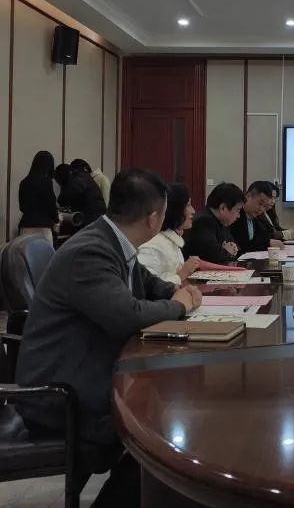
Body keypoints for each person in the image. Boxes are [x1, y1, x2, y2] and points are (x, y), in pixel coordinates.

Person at [15, 168, 201, 507]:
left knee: (168, 417)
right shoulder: (91, 251)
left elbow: (145, 281)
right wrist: (179, 306)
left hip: (84, 372)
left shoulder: (111, 239)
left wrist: (173, 291)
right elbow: (126, 316)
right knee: (163, 435)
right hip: (60, 396)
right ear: (154, 217)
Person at [138, 183, 200, 285]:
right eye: (188, 205)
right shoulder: (153, 245)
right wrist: (182, 274)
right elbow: (145, 287)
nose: (193, 211)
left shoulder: (171, 240)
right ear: (174, 210)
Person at [183, 182, 246, 263]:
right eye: (238, 210)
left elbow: (236, 247)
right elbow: (214, 256)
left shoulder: (222, 222)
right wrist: (226, 251)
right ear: (223, 208)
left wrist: (226, 250)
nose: (239, 216)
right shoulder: (203, 222)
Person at [230, 180, 285, 254]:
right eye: (260, 203)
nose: (261, 209)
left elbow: (263, 237)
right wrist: (267, 244)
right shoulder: (235, 216)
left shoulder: (256, 217)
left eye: (265, 206)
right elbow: (242, 247)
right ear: (248, 196)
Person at [18, 150, 59, 240]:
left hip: (25, 225)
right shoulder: (46, 181)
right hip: (43, 227)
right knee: (44, 249)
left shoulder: (24, 182)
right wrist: (56, 218)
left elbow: (22, 207)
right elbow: (51, 205)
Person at [54, 163, 106, 228]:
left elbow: (64, 199)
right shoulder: (81, 175)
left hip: (93, 217)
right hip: (95, 215)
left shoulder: (78, 179)